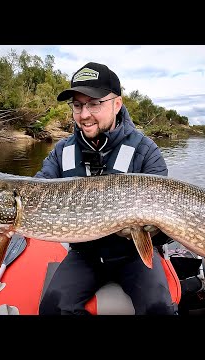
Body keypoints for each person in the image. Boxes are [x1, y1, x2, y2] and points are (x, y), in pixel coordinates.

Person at [36, 62, 175, 315]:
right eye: (77, 105)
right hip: (85, 255)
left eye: (94, 103)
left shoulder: (146, 151)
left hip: (134, 255)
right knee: (52, 308)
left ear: (117, 104)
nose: (84, 114)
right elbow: (36, 193)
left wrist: (150, 229)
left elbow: (167, 225)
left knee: (159, 309)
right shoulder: (61, 152)